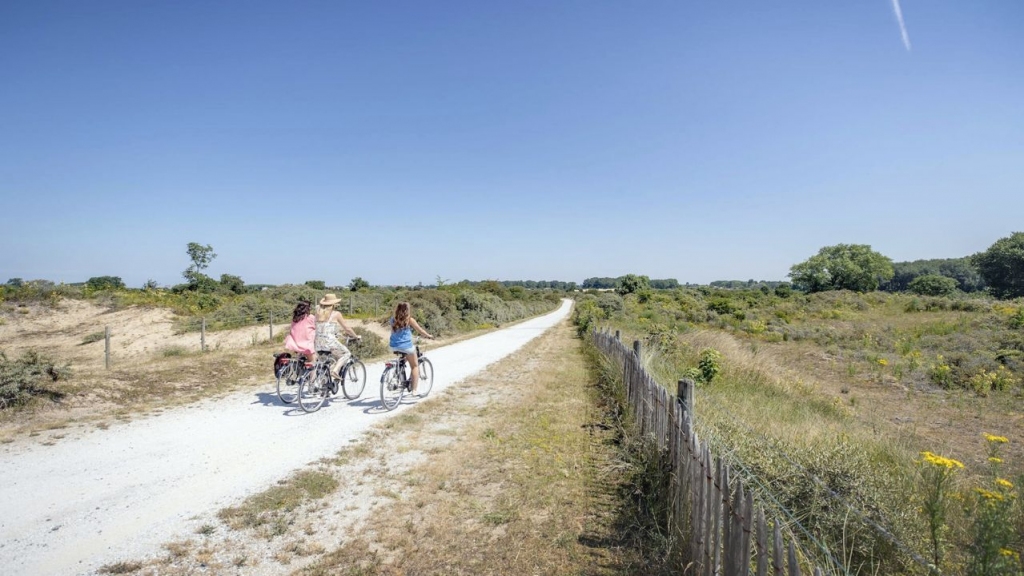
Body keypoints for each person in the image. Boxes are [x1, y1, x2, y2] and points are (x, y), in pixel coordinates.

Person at [389, 302, 434, 394]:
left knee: (405, 357)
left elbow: (395, 332)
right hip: (406, 346)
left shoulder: (393, 319)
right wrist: (428, 335)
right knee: (415, 366)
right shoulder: (410, 320)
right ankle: (414, 389)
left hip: (393, 346)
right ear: (408, 310)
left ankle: (396, 375)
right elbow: (420, 330)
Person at [314, 293, 361, 377]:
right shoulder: (336, 314)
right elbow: (347, 328)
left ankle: (325, 379)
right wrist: (355, 336)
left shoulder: (317, 313)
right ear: (333, 304)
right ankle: (335, 371)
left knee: (327, 361)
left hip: (318, 343)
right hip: (330, 342)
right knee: (346, 353)